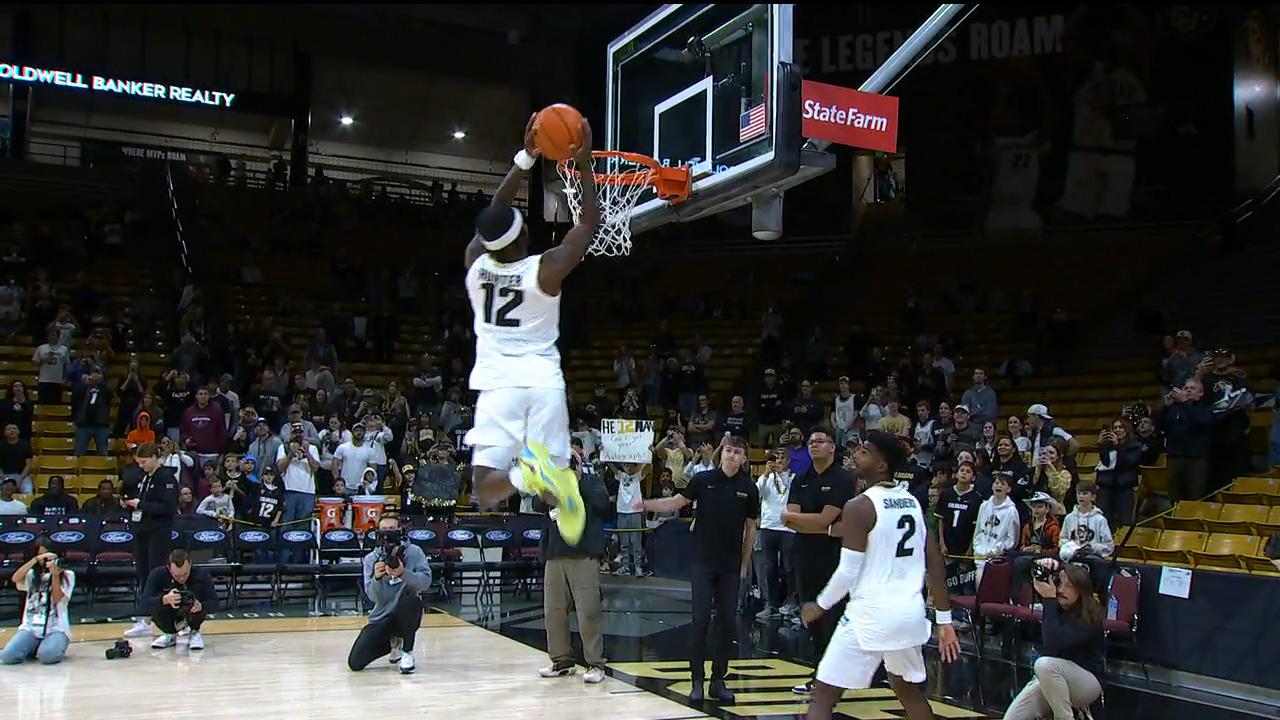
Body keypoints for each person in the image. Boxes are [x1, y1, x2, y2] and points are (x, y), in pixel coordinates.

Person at [462, 114, 598, 546]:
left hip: (498, 383)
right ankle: (544, 483)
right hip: (540, 381)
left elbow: (492, 220)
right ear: (524, 237)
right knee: (553, 474)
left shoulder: (475, 267)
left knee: (484, 490)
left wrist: (525, 158)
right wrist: (585, 164)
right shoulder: (544, 271)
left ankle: (530, 477)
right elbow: (588, 227)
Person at [799, 430, 960, 720]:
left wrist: (820, 605)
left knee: (824, 694)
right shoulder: (912, 501)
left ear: (882, 464)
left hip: (870, 616)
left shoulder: (859, 506)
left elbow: (849, 570)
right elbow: (935, 563)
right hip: (909, 615)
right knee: (907, 691)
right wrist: (944, 621)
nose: (855, 455)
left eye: (864, 451)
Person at [642, 436, 759, 704]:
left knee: (728, 623)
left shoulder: (749, 488)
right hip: (703, 562)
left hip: (730, 565)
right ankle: (697, 680)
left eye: (737, 452)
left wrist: (744, 563)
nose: (731, 455)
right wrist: (647, 504)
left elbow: (751, 528)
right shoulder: (704, 480)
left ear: (743, 458)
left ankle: (718, 680)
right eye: (728, 450)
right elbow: (675, 502)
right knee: (700, 620)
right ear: (721, 454)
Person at [781, 426, 855, 695]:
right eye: (811, 441)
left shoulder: (843, 479)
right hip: (804, 553)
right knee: (810, 615)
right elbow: (790, 519)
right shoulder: (800, 478)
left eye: (820, 441)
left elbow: (822, 518)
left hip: (834, 556)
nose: (814, 445)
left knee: (833, 616)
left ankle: (837, 677)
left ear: (833, 447)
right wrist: (820, 525)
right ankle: (820, 674)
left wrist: (810, 523)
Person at [538, 451, 610, 684]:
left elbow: (603, 505)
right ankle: (561, 661)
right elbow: (537, 504)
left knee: (588, 611)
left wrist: (579, 479)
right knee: (554, 611)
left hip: (583, 555)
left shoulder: (592, 482)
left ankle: (596, 664)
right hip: (555, 555)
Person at [1002, 560, 1104, 720]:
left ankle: (1065, 717)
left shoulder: (1091, 615)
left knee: (1044, 664)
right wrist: (1041, 562)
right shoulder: (1056, 606)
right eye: (1059, 583)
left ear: (1081, 590)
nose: (1061, 590)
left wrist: (1049, 601)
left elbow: (1055, 642)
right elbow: (1019, 564)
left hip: (1087, 682)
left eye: (1069, 586)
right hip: (1051, 679)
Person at [348, 516, 433, 674]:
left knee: (412, 600)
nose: (388, 534)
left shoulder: (414, 552)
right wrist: (377, 579)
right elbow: (372, 597)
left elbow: (425, 582)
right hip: (381, 615)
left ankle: (407, 653)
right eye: (384, 531)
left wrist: (403, 573)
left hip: (407, 612)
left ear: (400, 531)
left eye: (392, 530)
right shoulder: (370, 559)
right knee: (355, 662)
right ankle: (394, 643)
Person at [122, 443, 179, 639]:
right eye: (139, 462)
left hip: (158, 532)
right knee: (143, 574)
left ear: (156, 457)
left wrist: (142, 505)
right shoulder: (145, 477)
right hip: (142, 530)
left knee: (156, 574)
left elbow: (168, 507)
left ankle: (163, 618)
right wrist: (130, 504)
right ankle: (145, 618)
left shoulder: (166, 478)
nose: (142, 466)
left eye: (144, 462)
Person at [1, 538, 74, 665]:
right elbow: (15, 578)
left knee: (48, 657)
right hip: (31, 628)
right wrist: (35, 560)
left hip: (56, 628)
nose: (46, 560)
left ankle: (54, 646)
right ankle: (32, 646)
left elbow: (57, 599)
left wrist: (55, 576)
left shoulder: (68, 575)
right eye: (42, 556)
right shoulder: (31, 575)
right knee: (8, 657)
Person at [141, 549, 218, 651]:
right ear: (169, 568)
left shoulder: (202, 575)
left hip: (193, 615)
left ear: (190, 564)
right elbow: (144, 602)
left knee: (196, 598)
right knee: (156, 601)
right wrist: (164, 599)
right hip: (167, 615)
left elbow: (215, 603)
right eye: (177, 575)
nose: (182, 578)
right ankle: (170, 634)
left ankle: (194, 632)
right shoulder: (157, 574)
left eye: (185, 574)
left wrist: (201, 606)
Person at [754, 446, 796, 620]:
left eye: (782, 458)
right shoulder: (766, 478)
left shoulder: (794, 478)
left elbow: (793, 496)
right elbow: (758, 493)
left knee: (789, 567)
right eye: (776, 458)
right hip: (768, 526)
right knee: (769, 568)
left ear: (789, 460)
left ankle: (791, 603)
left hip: (788, 527)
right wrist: (765, 474)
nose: (778, 461)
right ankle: (771, 605)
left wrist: (781, 478)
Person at [1058, 482, 1115, 594]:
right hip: (1072, 558)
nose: (1081, 496)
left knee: (1098, 567)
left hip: (1091, 559)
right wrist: (1070, 548)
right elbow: (1062, 539)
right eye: (1079, 493)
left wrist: (1093, 548)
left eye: (1085, 493)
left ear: (1093, 497)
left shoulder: (1100, 519)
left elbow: (1109, 545)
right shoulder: (1069, 518)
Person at [972, 475, 1020, 587]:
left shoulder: (1011, 511)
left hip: (998, 560)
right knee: (979, 585)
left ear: (1008, 489)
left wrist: (998, 549)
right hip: (980, 556)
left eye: (1003, 484)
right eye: (997, 483)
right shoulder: (984, 506)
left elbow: (1012, 539)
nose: (999, 486)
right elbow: (978, 529)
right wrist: (977, 547)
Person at [1095, 418, 1142, 529]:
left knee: (1124, 521)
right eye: (1115, 428)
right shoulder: (1109, 445)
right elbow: (1106, 462)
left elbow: (1127, 463)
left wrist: (1118, 446)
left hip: (1124, 487)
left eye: (1120, 427)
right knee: (1104, 519)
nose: (1117, 430)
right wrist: (1101, 445)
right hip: (1107, 486)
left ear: (1127, 429)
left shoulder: (1135, 446)